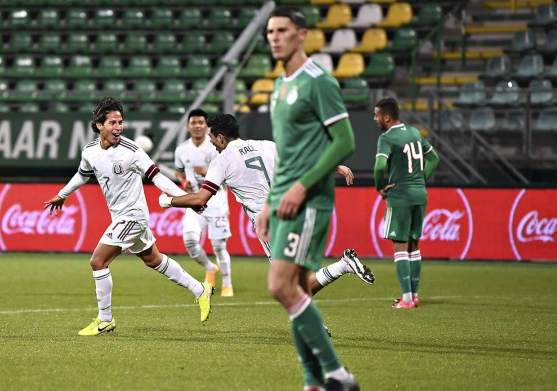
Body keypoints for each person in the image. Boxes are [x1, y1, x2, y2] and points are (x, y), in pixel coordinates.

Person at [43, 97, 214, 336]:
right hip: (120, 217)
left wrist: (188, 199)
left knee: (98, 261)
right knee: (153, 260)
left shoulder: (132, 150)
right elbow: (82, 175)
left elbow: (159, 178)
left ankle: (105, 319)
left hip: (133, 217)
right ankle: (200, 289)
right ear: (99, 125)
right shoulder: (90, 151)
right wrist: (62, 195)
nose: (118, 127)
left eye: (120, 122)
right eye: (112, 122)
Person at [159, 113, 375, 298]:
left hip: (269, 221)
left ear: (221, 137)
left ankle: (343, 266)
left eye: (212, 138)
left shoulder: (222, 160)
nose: (212, 143)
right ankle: (314, 322)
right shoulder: (267, 146)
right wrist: (336, 166)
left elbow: (200, 199)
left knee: (288, 286)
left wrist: (168, 201)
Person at [258, 7, 360, 391]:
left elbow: (346, 141)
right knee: (297, 291)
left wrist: (302, 186)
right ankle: (312, 382)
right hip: (284, 200)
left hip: (310, 200)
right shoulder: (279, 87)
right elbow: (286, 154)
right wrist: (270, 199)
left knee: (280, 287)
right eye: (270, 31)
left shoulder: (318, 81)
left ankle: (337, 373)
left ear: (301, 34)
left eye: (282, 30)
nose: (274, 37)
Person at [373, 97, 440, 309]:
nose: (375, 119)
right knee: (414, 244)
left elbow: (379, 166)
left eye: (376, 115)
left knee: (399, 246)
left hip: (400, 196)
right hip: (420, 194)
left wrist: (379, 186)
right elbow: (435, 159)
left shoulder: (387, 138)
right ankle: (414, 295)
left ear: (386, 117)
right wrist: (421, 179)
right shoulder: (414, 132)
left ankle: (407, 299)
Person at [174, 109, 234, 297]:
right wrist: (184, 182)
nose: (198, 125)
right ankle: (210, 268)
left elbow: (227, 175)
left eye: (201, 122)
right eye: (194, 122)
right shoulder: (181, 149)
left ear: (207, 126)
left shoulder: (216, 146)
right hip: (194, 202)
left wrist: (207, 173)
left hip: (216, 202)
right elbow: (178, 171)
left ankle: (227, 284)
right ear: (188, 126)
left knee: (219, 246)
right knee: (190, 243)